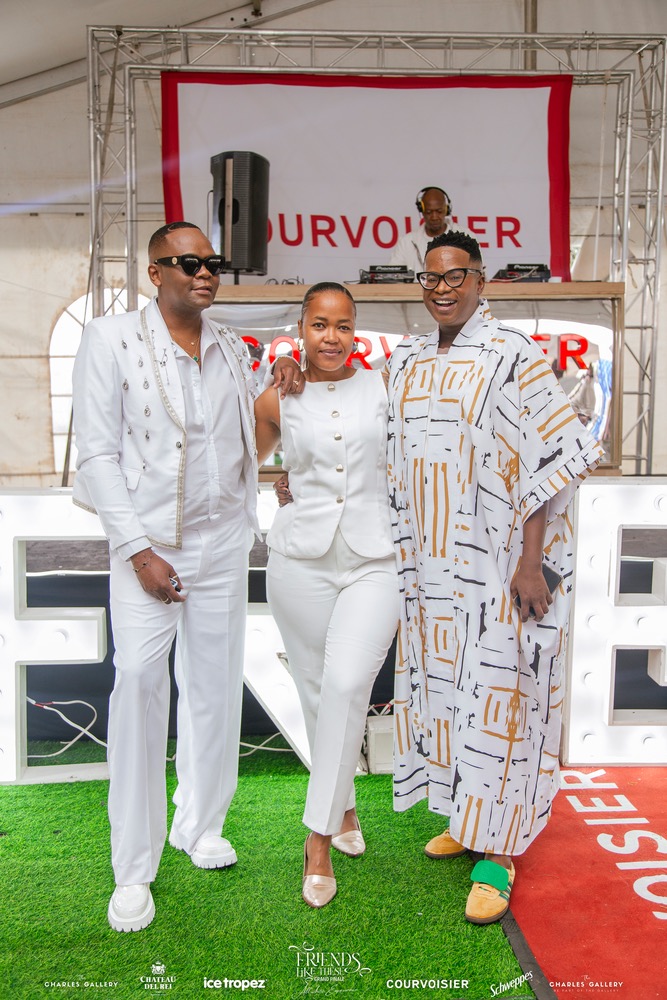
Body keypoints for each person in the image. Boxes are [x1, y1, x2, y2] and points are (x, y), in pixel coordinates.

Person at [71, 221, 300, 932]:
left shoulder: (230, 346)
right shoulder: (109, 340)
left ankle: (199, 825)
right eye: (188, 262)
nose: (204, 273)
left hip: (223, 543)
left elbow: (245, 442)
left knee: (212, 690)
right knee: (140, 686)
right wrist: (138, 551)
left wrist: (279, 394)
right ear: (155, 272)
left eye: (212, 263)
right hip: (149, 547)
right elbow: (96, 454)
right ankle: (132, 869)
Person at [386, 230, 603, 923]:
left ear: (481, 281)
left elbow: (548, 460)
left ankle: (499, 853)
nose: (442, 288)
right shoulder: (407, 358)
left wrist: (530, 561)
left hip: (497, 568)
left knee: (502, 698)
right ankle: (467, 817)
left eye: (457, 275)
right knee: (449, 696)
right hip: (430, 572)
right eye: (430, 277)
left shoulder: (514, 354)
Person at [254, 282, 400, 908]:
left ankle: (316, 839)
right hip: (299, 560)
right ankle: (342, 810)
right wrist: (280, 479)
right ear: (301, 328)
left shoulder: (386, 387)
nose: (331, 337)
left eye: (343, 325)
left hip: (376, 558)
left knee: (345, 683)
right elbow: (242, 460)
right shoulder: (278, 395)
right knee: (315, 690)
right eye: (319, 325)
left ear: (356, 332)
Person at [390, 186, 466, 274]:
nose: (434, 217)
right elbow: (392, 276)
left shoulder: (464, 237)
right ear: (422, 211)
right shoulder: (407, 242)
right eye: (429, 212)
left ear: (446, 209)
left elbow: (476, 272)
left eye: (439, 211)